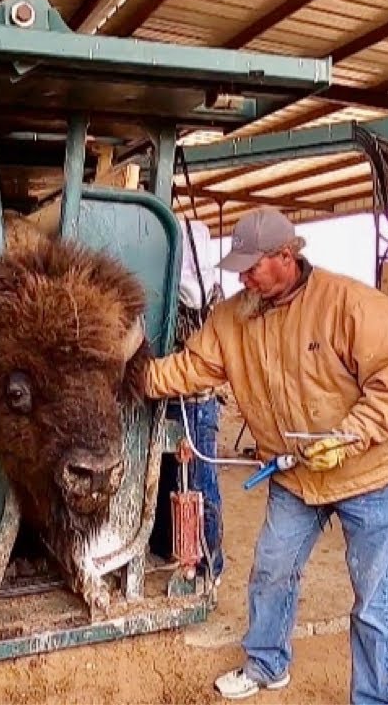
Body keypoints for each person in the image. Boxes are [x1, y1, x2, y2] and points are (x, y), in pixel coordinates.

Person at [142, 207, 388, 704]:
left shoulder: (351, 304)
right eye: (241, 266)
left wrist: (349, 436)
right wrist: (135, 378)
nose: (244, 275)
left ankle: (377, 698)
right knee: (271, 570)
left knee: (377, 597)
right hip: (295, 473)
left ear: (287, 256)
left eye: (254, 265)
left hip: (370, 472)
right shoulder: (234, 316)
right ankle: (267, 664)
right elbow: (194, 366)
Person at [168, 217, 227, 586]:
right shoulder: (192, 291)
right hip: (172, 400)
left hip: (194, 403)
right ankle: (172, 552)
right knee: (174, 483)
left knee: (200, 484)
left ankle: (209, 564)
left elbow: (197, 361)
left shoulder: (202, 298)